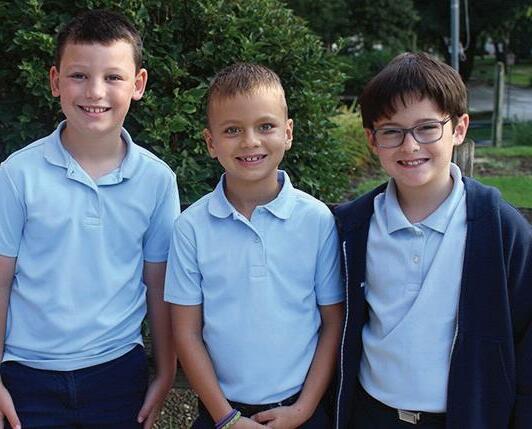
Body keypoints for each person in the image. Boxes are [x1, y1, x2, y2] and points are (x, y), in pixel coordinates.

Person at [0, 10, 180, 429]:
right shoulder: (16, 175)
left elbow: (160, 286)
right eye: (79, 75)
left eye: (113, 77)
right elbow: (1, 281)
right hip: (27, 374)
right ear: (55, 81)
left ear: (138, 84)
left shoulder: (157, 180)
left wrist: (166, 371)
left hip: (118, 373)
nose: (95, 91)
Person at [334, 52, 531, 429]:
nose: (410, 146)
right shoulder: (352, 229)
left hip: (465, 418)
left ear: (459, 128)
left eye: (427, 128)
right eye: (392, 131)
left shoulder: (501, 229)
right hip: (371, 416)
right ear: (372, 139)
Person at [164, 63, 344, 429]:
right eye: (232, 130)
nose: (250, 141)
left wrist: (303, 409)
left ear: (288, 133)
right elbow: (186, 332)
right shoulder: (191, 228)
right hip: (222, 413)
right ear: (211, 142)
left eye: (265, 126)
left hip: (303, 411)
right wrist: (226, 418)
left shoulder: (316, 220)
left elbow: (332, 322)